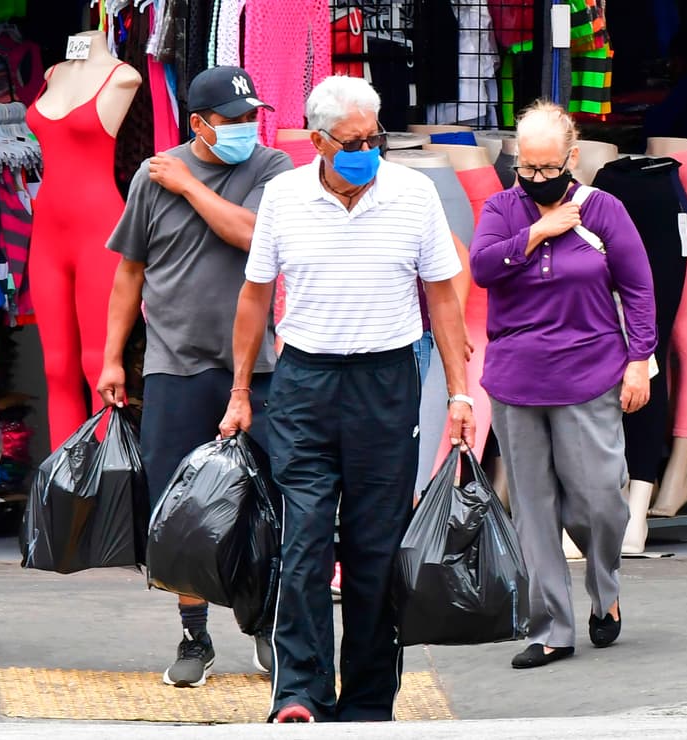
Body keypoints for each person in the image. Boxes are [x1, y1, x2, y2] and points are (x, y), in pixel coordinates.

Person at [220, 75, 474, 723]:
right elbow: (255, 296)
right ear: (318, 141)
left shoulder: (412, 195)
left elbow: (444, 295)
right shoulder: (282, 196)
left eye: (374, 138)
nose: (367, 150)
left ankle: (366, 702)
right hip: (304, 383)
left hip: (386, 384)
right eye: (353, 141)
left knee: (375, 550)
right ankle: (299, 693)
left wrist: (459, 393)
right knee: (302, 543)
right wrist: (241, 390)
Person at [96, 65, 293, 688]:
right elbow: (129, 273)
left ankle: (263, 623)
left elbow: (255, 235)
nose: (245, 128)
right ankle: (194, 635)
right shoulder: (152, 178)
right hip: (175, 364)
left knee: (265, 500)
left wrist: (189, 186)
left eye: (250, 117)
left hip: (256, 368)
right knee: (180, 511)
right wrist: (110, 357)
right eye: (233, 120)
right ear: (198, 123)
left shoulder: (272, 170)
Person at [468, 100, 656, 669]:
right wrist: (537, 232)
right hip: (516, 378)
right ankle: (551, 627)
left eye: (549, 169)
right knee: (532, 508)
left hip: (590, 373)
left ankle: (606, 592)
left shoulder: (604, 211)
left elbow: (640, 288)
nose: (538, 179)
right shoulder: (503, 208)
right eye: (528, 168)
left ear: (572, 158)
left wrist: (638, 360)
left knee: (599, 498)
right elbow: (481, 267)